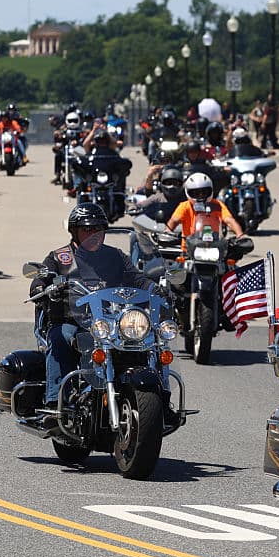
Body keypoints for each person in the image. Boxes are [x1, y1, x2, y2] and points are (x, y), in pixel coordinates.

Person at [30, 204, 156, 410]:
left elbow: (136, 278)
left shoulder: (115, 256)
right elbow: (42, 277)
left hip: (112, 321)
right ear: (75, 232)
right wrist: (41, 287)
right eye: (87, 229)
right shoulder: (62, 257)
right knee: (60, 337)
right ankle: (55, 401)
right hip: (74, 320)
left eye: (97, 229)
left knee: (148, 341)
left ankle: (158, 395)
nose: (93, 234)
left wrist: (154, 288)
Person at [166, 173, 245, 239]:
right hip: (188, 250)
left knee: (232, 257)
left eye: (204, 192)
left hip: (215, 247)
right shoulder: (184, 206)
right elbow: (173, 221)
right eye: (196, 193)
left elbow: (230, 221)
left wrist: (240, 235)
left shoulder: (218, 205)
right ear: (188, 192)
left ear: (210, 190)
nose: (200, 196)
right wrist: (167, 234)